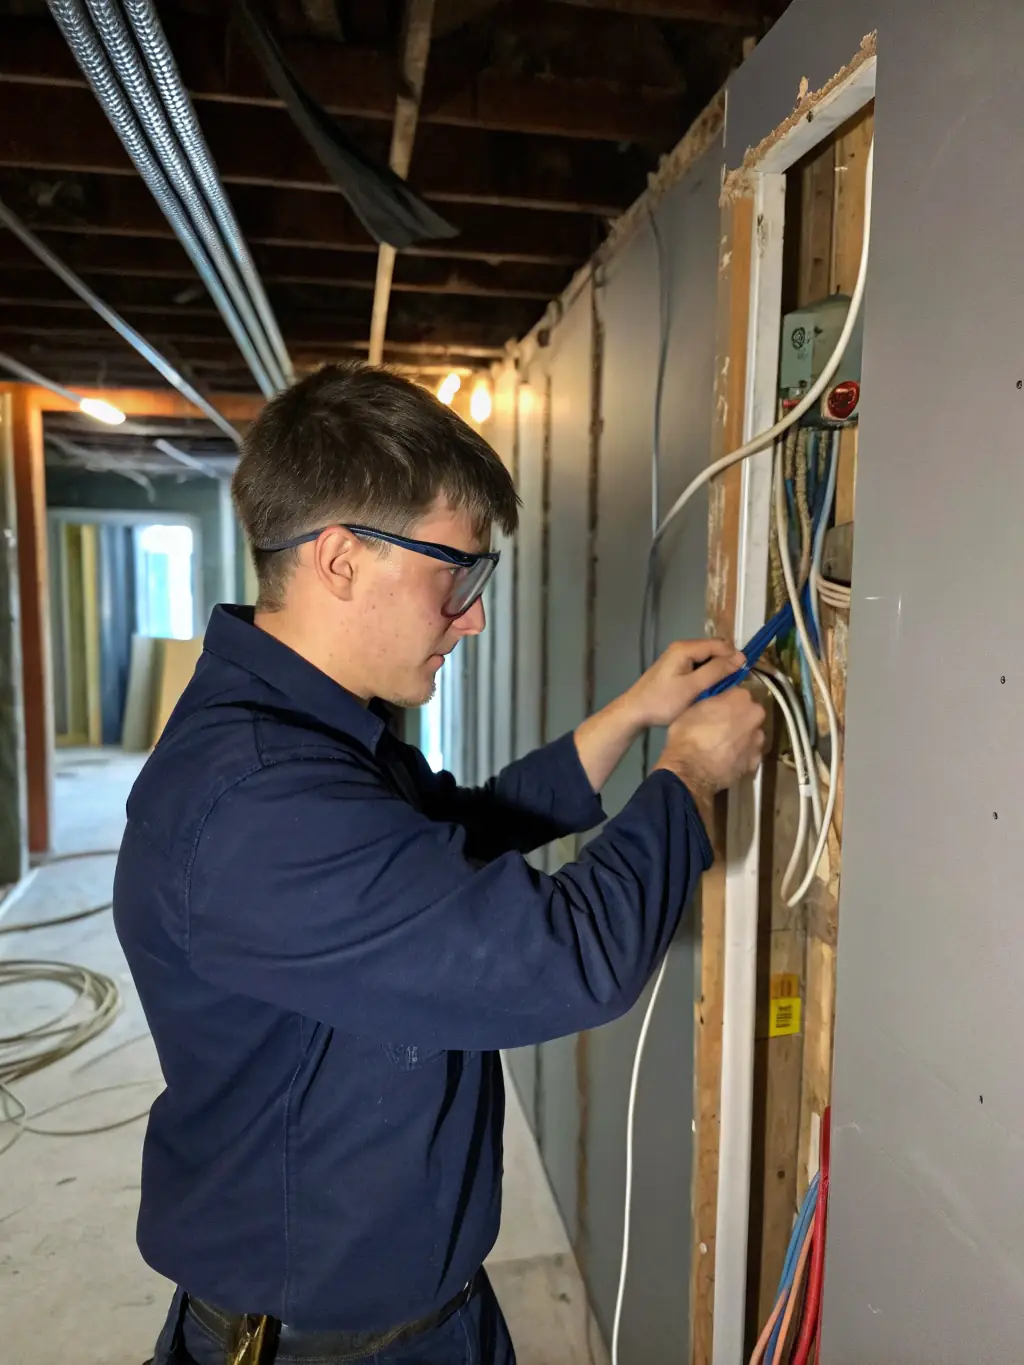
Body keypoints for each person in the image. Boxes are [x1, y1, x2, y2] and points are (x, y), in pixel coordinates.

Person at [114, 362, 764, 1365]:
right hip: (330, 1348)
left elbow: (454, 834)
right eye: (454, 573)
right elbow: (561, 959)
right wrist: (685, 777)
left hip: (420, 1316)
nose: (473, 615)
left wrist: (630, 717)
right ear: (339, 560)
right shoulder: (258, 805)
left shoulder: (306, 732)